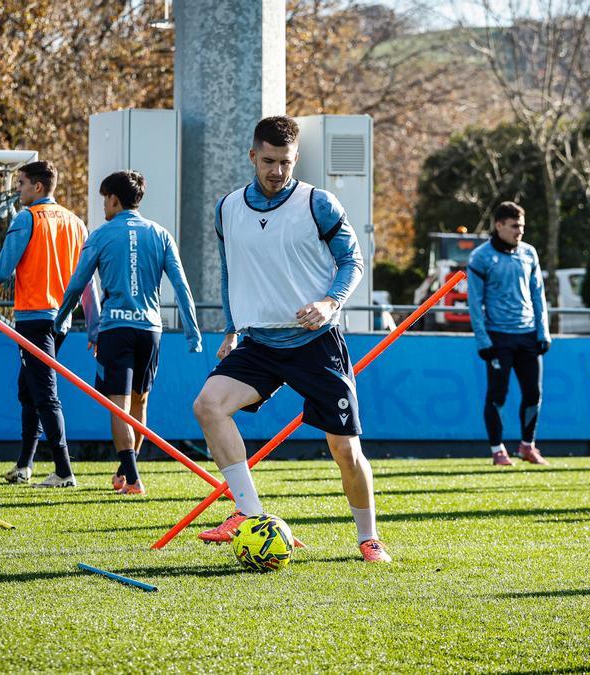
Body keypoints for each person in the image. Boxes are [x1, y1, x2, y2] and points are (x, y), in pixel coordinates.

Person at [190, 115, 390, 563]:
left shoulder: (318, 204)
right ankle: (251, 516)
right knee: (208, 405)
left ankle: (369, 537)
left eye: (285, 162)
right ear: (252, 156)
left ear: (296, 158)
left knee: (344, 448)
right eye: (268, 161)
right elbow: (230, 271)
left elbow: (352, 261)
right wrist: (231, 326)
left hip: (314, 341)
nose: (277, 171)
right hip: (259, 343)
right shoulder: (227, 209)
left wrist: (330, 302)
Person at [54, 170, 202, 495]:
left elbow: (78, 283)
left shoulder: (101, 235)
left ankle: (133, 479)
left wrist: (60, 319)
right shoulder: (161, 234)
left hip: (116, 328)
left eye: (103, 200)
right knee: (140, 404)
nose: (103, 207)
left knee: (117, 405)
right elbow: (181, 286)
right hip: (151, 330)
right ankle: (125, 471)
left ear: (113, 199)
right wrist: (193, 332)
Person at [0, 160, 87, 488]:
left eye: (21, 184)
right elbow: (85, 277)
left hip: (34, 317)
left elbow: (1, 271)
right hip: (62, 319)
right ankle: (24, 465)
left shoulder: (26, 218)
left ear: (37, 187)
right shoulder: (75, 222)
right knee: (28, 389)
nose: (18, 191)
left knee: (44, 393)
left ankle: (64, 471)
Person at [466, 201, 551, 466]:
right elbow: (474, 302)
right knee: (497, 395)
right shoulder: (480, 257)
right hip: (498, 337)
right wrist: (483, 340)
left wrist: (543, 331)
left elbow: (538, 294)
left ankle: (528, 446)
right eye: (514, 226)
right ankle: (497, 450)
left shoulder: (529, 253)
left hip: (527, 335)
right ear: (499, 225)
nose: (519, 232)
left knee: (533, 394)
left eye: (522, 227)